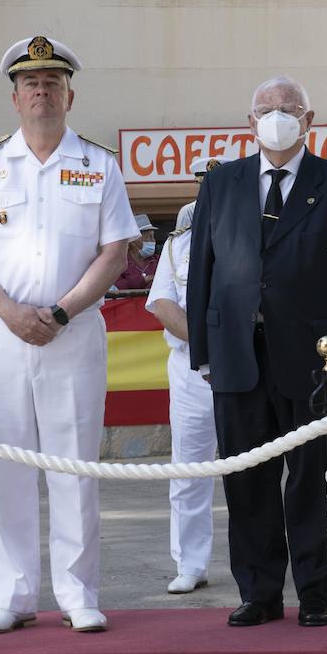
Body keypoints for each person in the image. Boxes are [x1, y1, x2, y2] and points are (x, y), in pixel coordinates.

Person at [0, 35, 138, 635]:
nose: (42, 92)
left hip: (71, 334)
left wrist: (59, 312)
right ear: (15, 99)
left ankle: (78, 593)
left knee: (73, 463)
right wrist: (8, 311)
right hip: (0, 335)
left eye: (52, 83)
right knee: (5, 463)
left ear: (70, 96)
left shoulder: (98, 164)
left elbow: (114, 253)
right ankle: (13, 594)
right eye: (31, 83)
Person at [187, 75, 327, 629]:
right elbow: (202, 272)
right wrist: (204, 351)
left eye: (289, 108)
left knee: (313, 478)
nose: (278, 116)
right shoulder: (220, 185)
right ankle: (259, 592)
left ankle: (316, 591)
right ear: (250, 123)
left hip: (316, 362)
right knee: (246, 478)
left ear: (309, 119)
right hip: (237, 356)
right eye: (267, 109)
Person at [145, 202, 216, 594]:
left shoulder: (251, 236)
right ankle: (190, 563)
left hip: (245, 364)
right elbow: (163, 304)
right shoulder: (176, 247)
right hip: (191, 367)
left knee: (256, 468)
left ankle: (256, 562)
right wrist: (208, 344)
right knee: (189, 468)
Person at [114, 214, 158, 290]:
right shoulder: (119, 263)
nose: (153, 241)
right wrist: (144, 280)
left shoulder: (159, 260)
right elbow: (115, 287)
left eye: (153, 237)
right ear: (133, 240)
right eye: (148, 237)